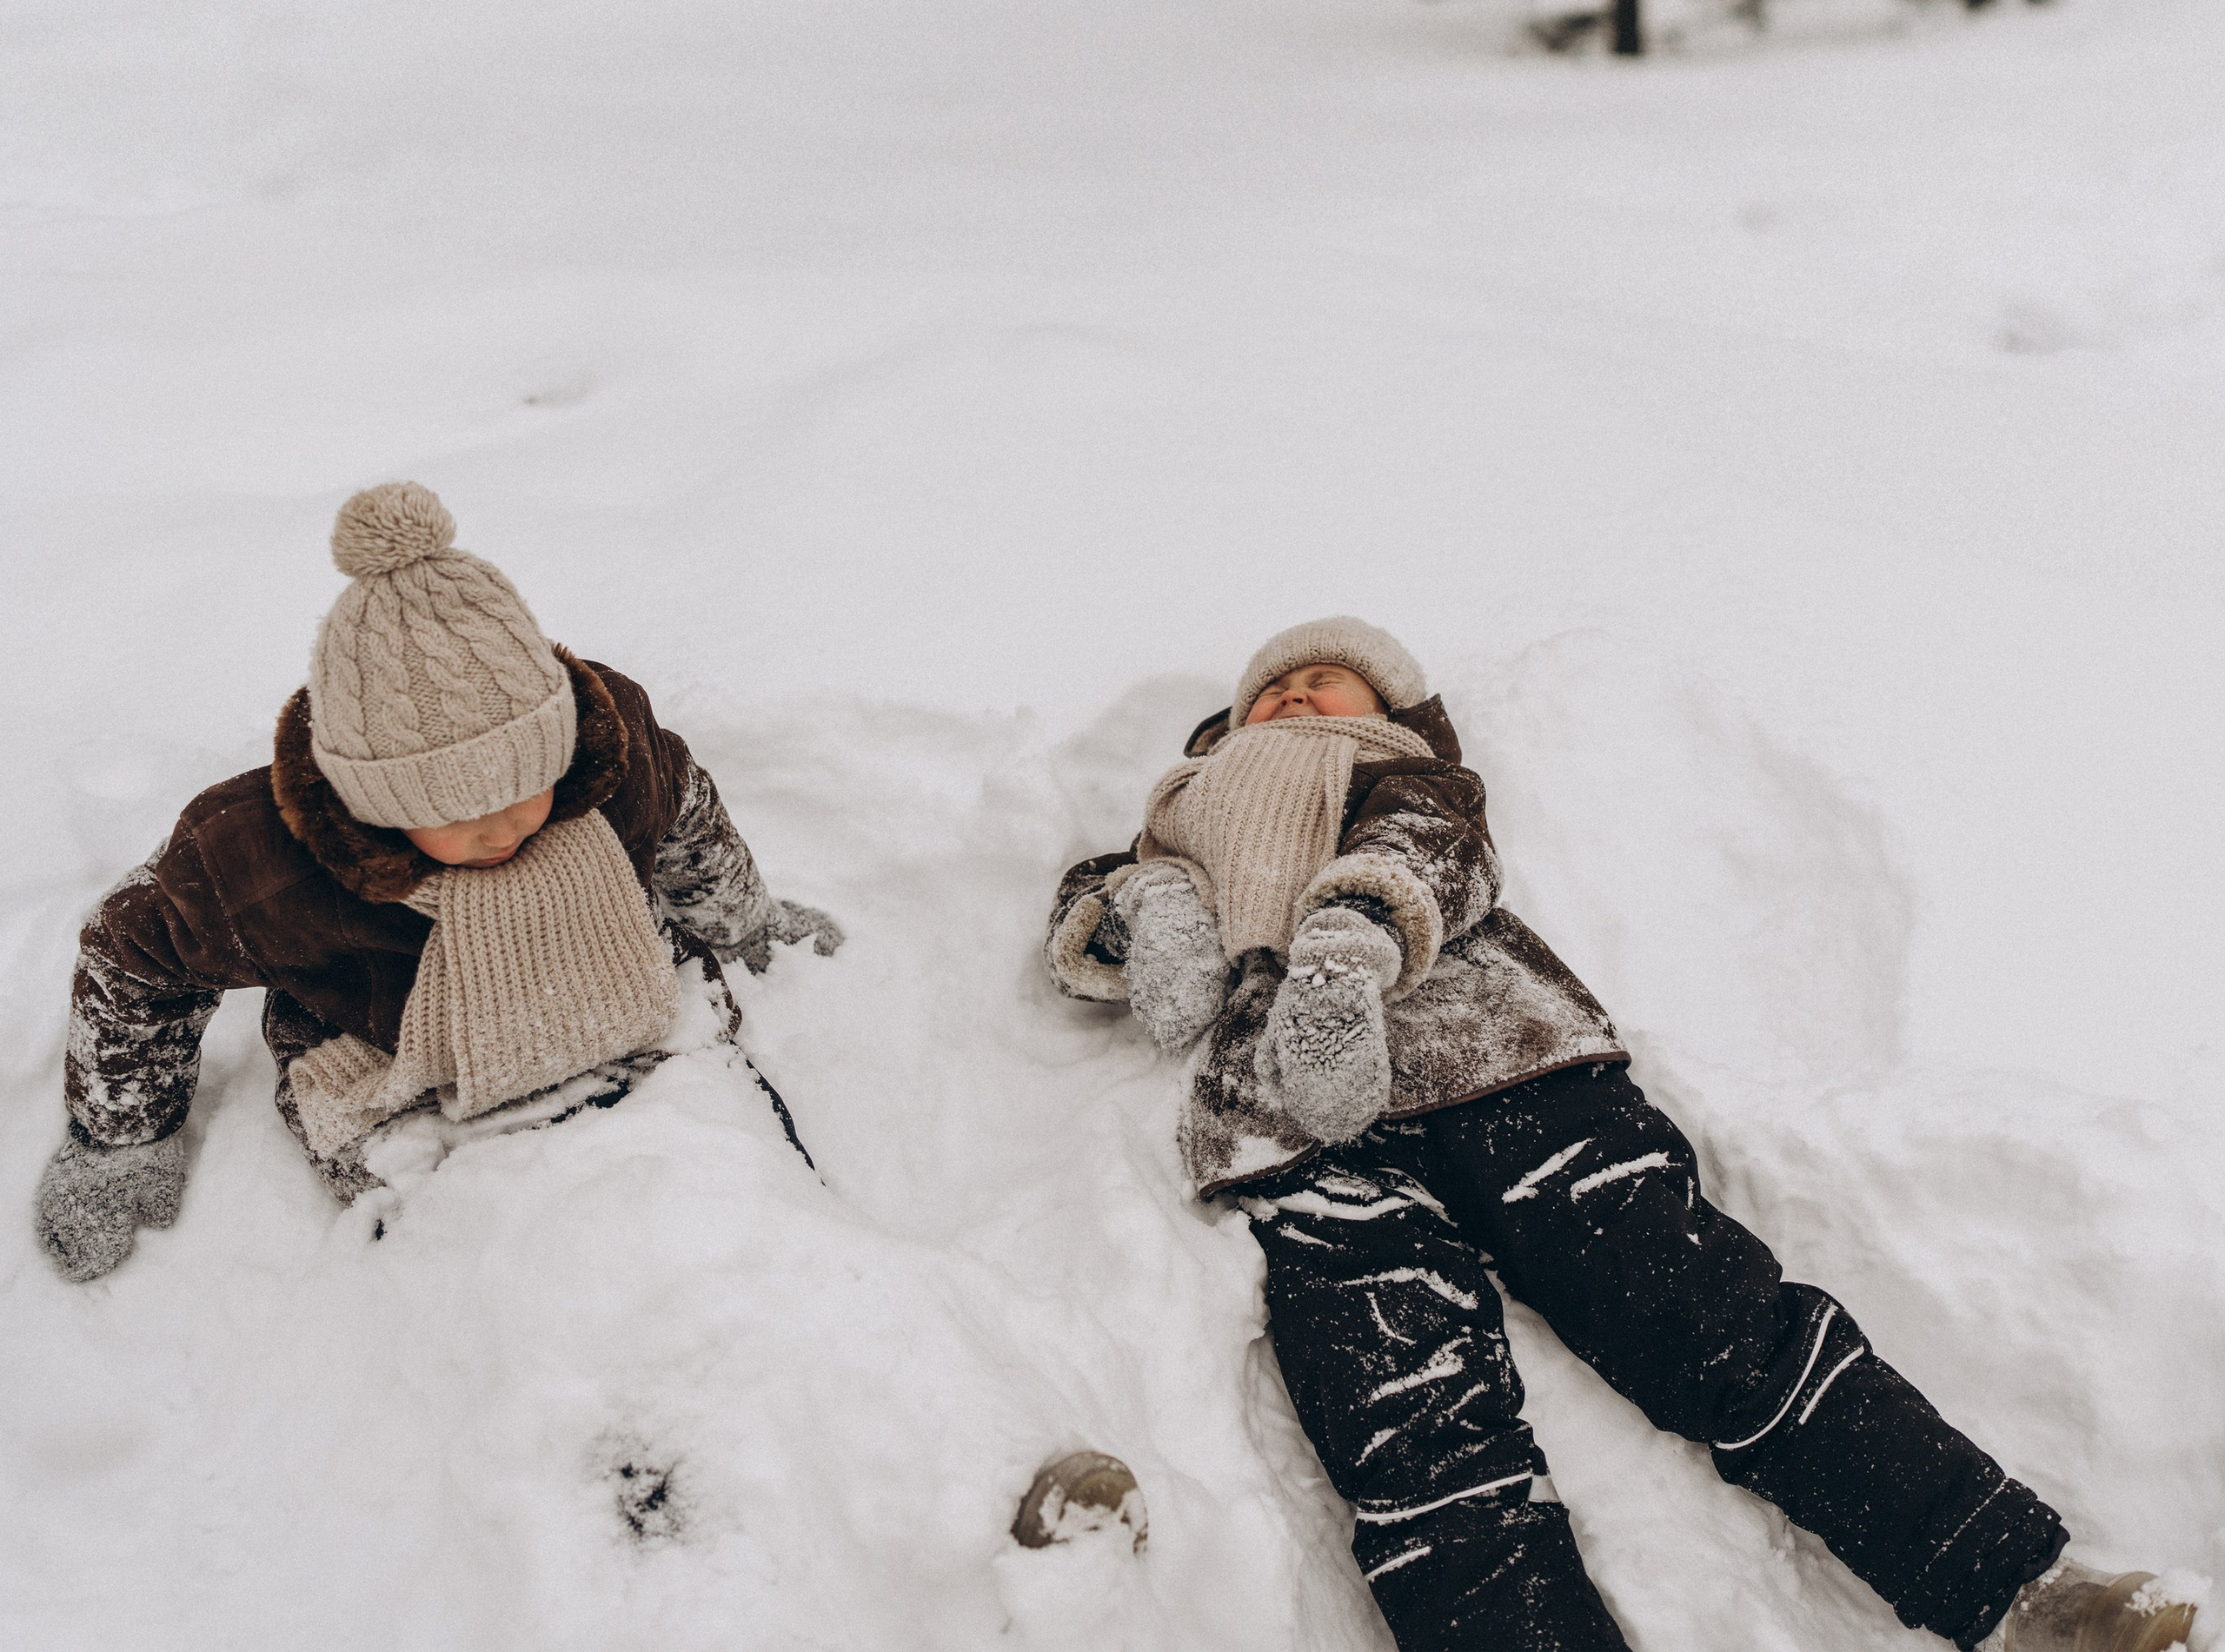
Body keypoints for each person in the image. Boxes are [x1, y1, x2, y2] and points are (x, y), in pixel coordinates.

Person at [1044, 615, 2195, 1652]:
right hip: (1298, 1134)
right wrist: (1147, 903)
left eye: (1324, 680)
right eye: (1271, 687)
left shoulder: (1405, 776)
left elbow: (1430, 854)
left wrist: (1349, 940)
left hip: (1502, 1065)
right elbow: (1084, 933)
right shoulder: (1170, 823)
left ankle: (2024, 1590)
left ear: (1387, 711)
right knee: (1412, 1439)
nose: (1294, 694)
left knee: (1716, 1325)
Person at [37, 480, 839, 1276]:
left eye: (528, 788)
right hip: (397, 1066)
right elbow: (133, 954)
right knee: (499, 1267)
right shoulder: (267, 863)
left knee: (728, 1216)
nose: (503, 829)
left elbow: (689, 817)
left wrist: (747, 926)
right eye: (452, 811)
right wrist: (122, 1138)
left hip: (629, 994)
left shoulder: (612, 759)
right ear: (374, 803)